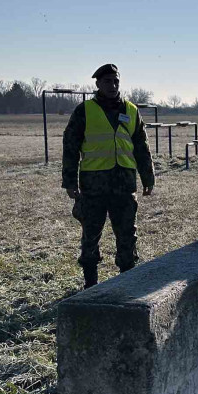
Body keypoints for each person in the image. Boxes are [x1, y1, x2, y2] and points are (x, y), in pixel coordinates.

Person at [62, 63, 155, 289]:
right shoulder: (84, 111)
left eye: (116, 81)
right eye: (107, 82)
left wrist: (148, 176)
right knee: (91, 236)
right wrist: (69, 181)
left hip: (124, 186)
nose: (112, 86)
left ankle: (127, 282)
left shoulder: (131, 110)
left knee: (127, 236)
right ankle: (91, 285)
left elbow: (141, 146)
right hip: (93, 187)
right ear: (98, 84)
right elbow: (70, 147)